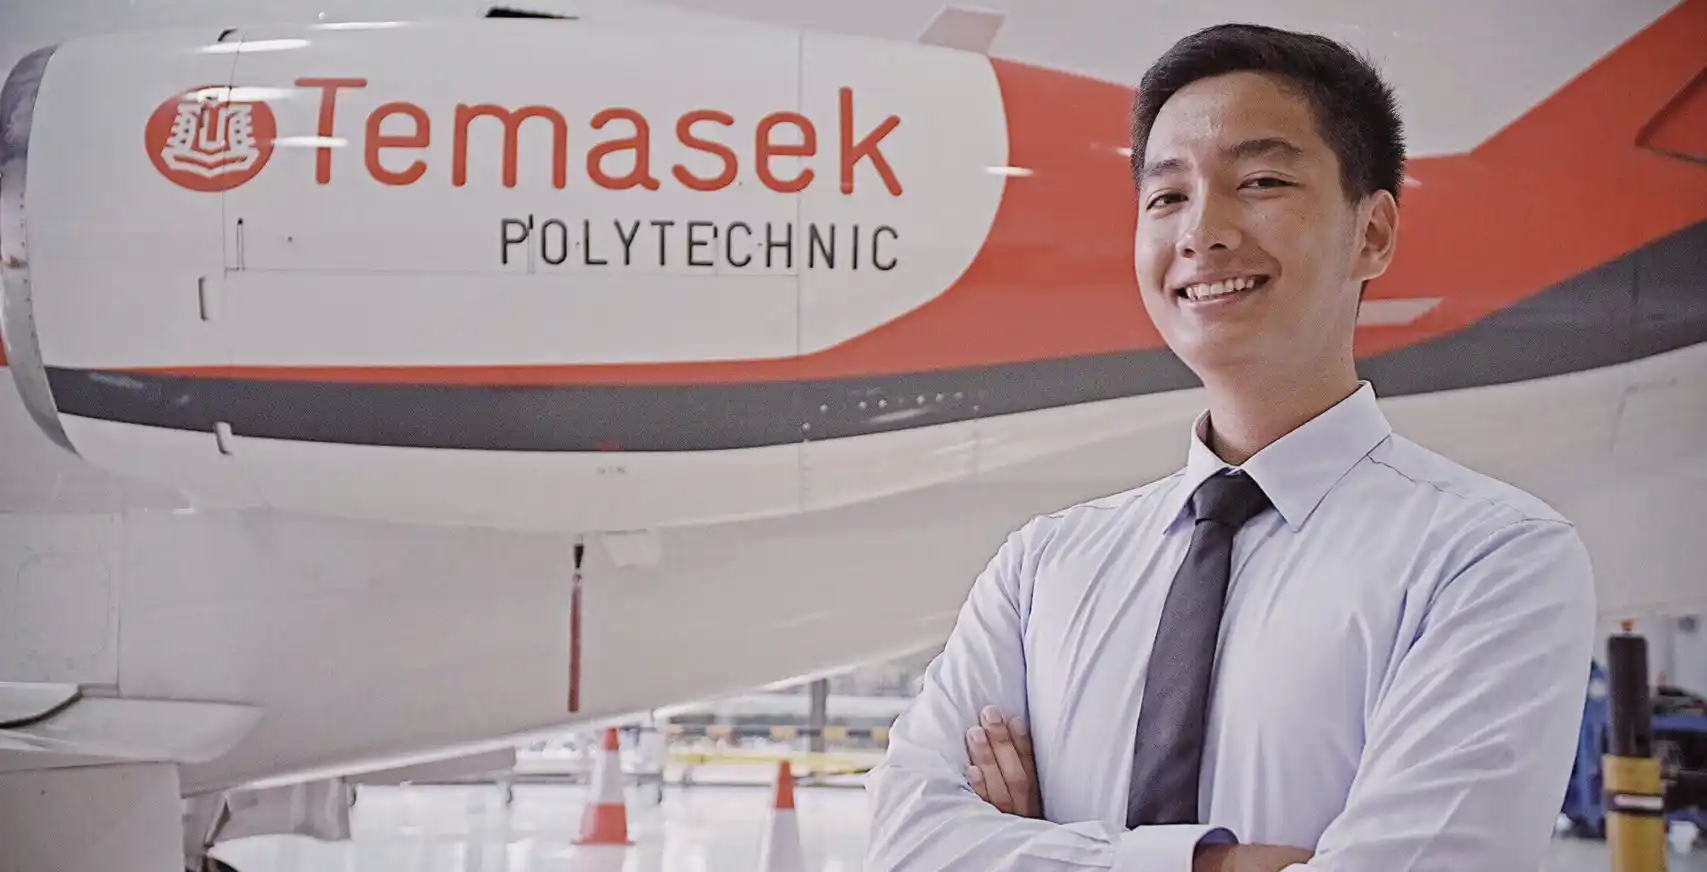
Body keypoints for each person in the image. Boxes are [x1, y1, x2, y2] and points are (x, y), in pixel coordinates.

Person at [863, 22, 1597, 872]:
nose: (1200, 231)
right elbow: (906, 845)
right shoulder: (1042, 568)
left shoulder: (1490, 560)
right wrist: (1210, 864)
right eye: (1166, 196)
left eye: (1260, 180)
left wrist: (1038, 847)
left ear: (1373, 233)